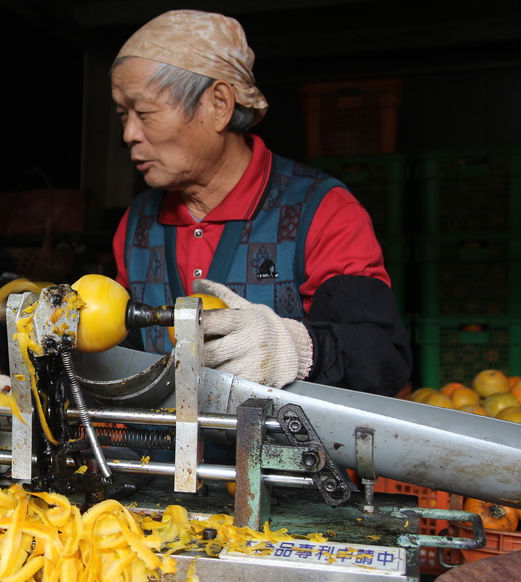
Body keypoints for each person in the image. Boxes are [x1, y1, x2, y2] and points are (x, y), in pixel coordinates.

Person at [111, 10, 411, 395]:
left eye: (145, 113)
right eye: (123, 115)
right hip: (162, 454)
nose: (129, 133)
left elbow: (383, 358)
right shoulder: (136, 224)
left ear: (219, 104)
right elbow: (121, 357)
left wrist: (297, 349)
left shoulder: (322, 212)